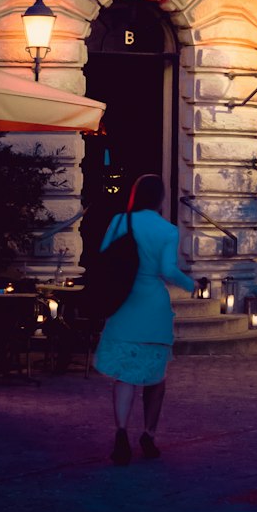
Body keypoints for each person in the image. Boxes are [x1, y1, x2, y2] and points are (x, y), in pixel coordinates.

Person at [93, 173, 195, 466]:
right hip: (153, 305)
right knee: (156, 376)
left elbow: (104, 257)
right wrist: (190, 285)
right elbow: (167, 269)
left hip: (124, 302)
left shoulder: (119, 221)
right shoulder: (168, 230)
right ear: (161, 198)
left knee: (125, 374)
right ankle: (149, 434)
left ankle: (121, 432)